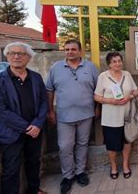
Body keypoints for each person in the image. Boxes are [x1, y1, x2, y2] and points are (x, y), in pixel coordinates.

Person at [0, 42, 48, 194]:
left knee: (34, 163)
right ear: (7, 56)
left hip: (35, 130)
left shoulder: (35, 77)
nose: (16, 56)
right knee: (11, 169)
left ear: (28, 58)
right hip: (11, 132)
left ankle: (33, 190)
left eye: (21, 54)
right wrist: (27, 127)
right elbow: (0, 110)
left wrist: (37, 124)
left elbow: (43, 102)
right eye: (12, 53)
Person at [46, 39, 100, 194]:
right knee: (65, 147)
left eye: (73, 49)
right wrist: (50, 111)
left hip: (86, 114)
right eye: (67, 49)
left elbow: (98, 89)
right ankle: (67, 176)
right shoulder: (56, 68)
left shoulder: (90, 67)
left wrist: (98, 108)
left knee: (83, 144)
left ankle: (80, 172)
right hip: (64, 116)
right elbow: (49, 90)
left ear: (80, 51)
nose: (70, 52)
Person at [94, 52, 138, 180]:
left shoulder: (127, 74)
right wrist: (111, 101)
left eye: (119, 61)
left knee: (127, 141)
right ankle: (113, 166)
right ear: (109, 64)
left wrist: (129, 96)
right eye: (114, 61)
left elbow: (136, 90)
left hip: (127, 116)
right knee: (112, 144)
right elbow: (96, 96)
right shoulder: (103, 76)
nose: (117, 63)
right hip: (110, 118)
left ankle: (125, 164)